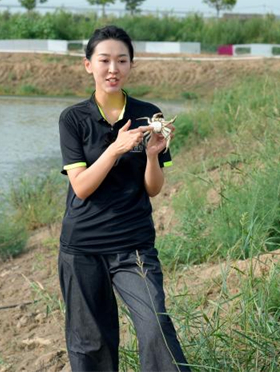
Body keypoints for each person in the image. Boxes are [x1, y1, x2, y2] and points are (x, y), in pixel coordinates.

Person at [57, 26, 190, 371]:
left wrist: (151, 155)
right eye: (104, 60)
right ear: (88, 65)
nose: (113, 68)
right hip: (82, 247)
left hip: (133, 245)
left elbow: (153, 188)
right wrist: (116, 149)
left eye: (122, 60)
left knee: (155, 327)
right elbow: (81, 187)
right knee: (91, 345)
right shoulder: (73, 119)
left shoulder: (148, 114)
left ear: (131, 64)